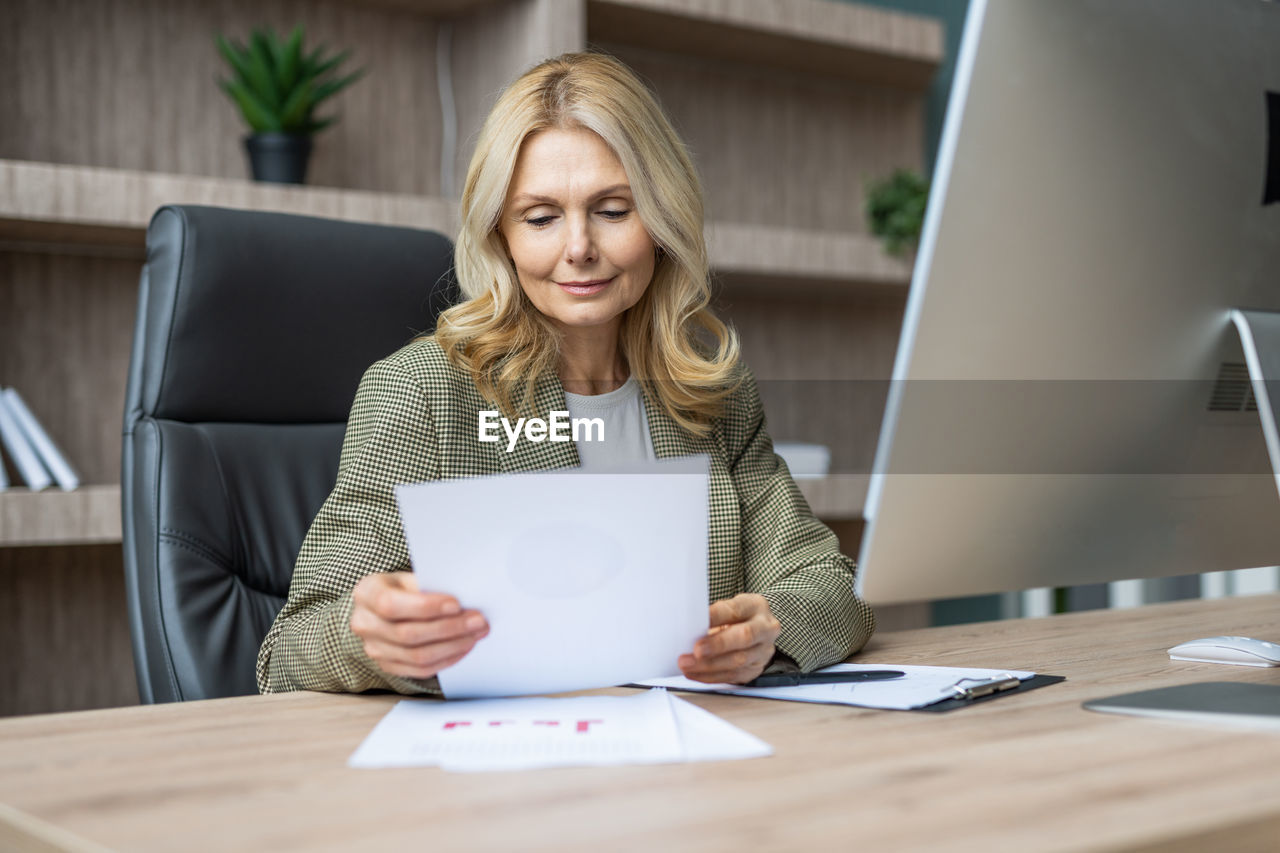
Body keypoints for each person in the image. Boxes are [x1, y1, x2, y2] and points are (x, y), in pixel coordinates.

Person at [256, 51, 874, 696]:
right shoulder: (422, 394)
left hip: (691, 759)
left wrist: (768, 631)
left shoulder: (708, 389)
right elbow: (292, 645)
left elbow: (827, 588)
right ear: (502, 235)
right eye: (541, 218)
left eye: (612, 210)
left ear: (661, 221)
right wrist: (381, 644)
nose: (578, 247)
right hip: (509, 772)